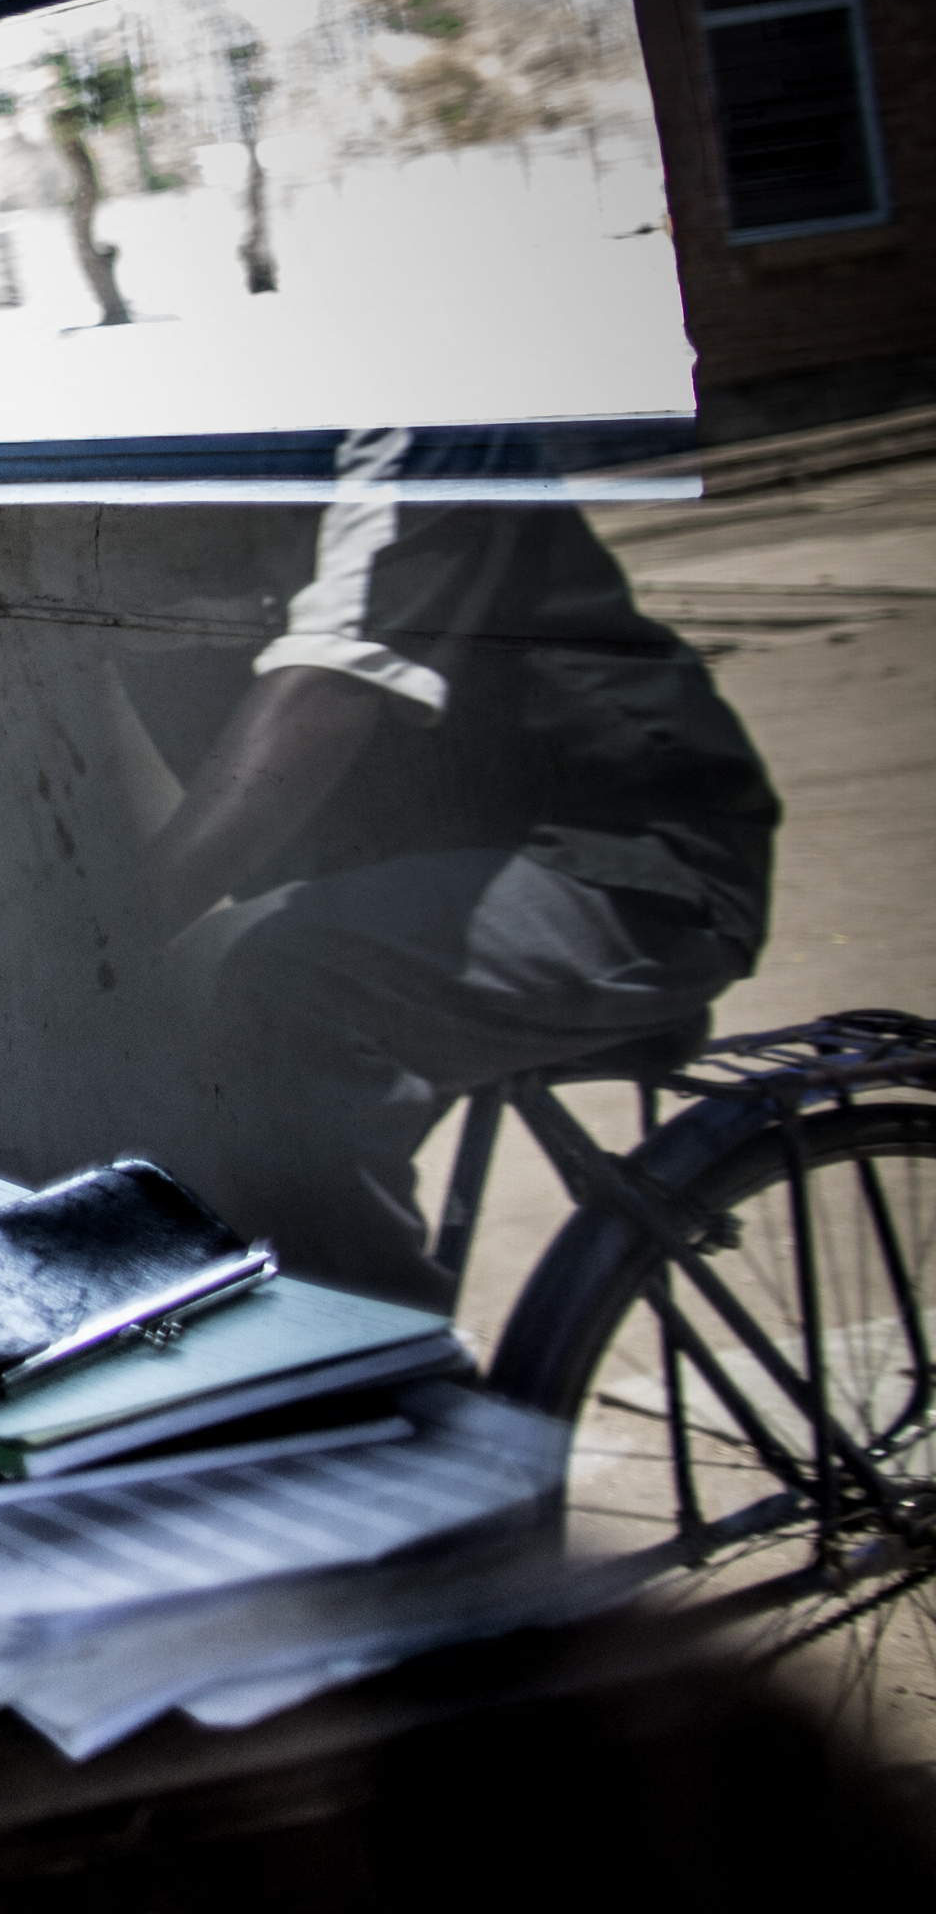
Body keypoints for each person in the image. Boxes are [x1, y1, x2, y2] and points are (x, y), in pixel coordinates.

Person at [119, 429, 778, 1307]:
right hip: (383, 894)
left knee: (261, 983)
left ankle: (400, 1407)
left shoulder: (403, 423)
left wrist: (102, 942)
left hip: (624, 867)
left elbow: (331, 685)